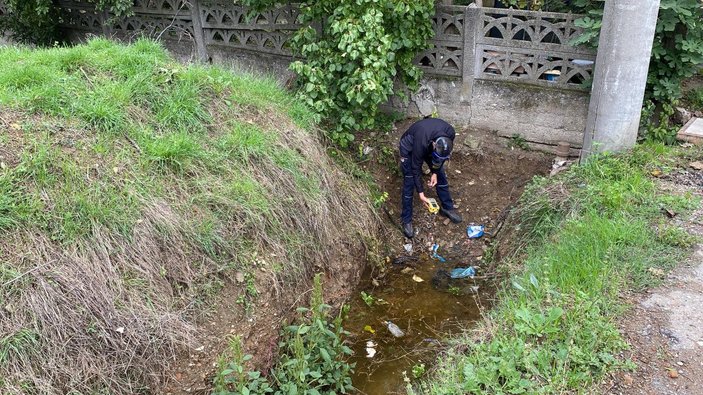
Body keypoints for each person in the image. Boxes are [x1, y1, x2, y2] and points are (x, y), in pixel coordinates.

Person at [399, 117, 462, 238]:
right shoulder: (421, 141)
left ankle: (447, 208)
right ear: (434, 144)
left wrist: (435, 173)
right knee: (410, 180)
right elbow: (415, 167)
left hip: (429, 147)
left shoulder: (450, 134)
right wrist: (421, 194)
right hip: (409, 147)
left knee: (441, 176)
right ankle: (406, 220)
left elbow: (441, 158)